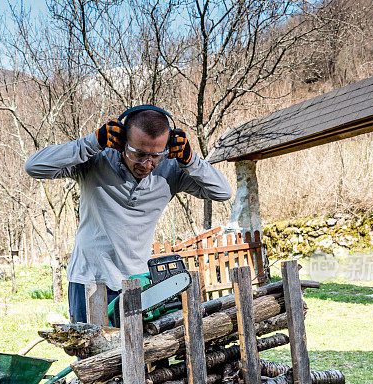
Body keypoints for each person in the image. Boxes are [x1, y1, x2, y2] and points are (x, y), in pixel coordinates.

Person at [24, 105, 233, 323]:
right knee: (90, 355)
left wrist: (191, 160)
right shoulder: (95, 160)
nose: (147, 164)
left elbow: (222, 192)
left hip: (137, 282)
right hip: (88, 279)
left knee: (137, 354)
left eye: (156, 155)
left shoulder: (172, 171)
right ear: (122, 142)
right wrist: (92, 142)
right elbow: (34, 166)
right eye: (139, 154)